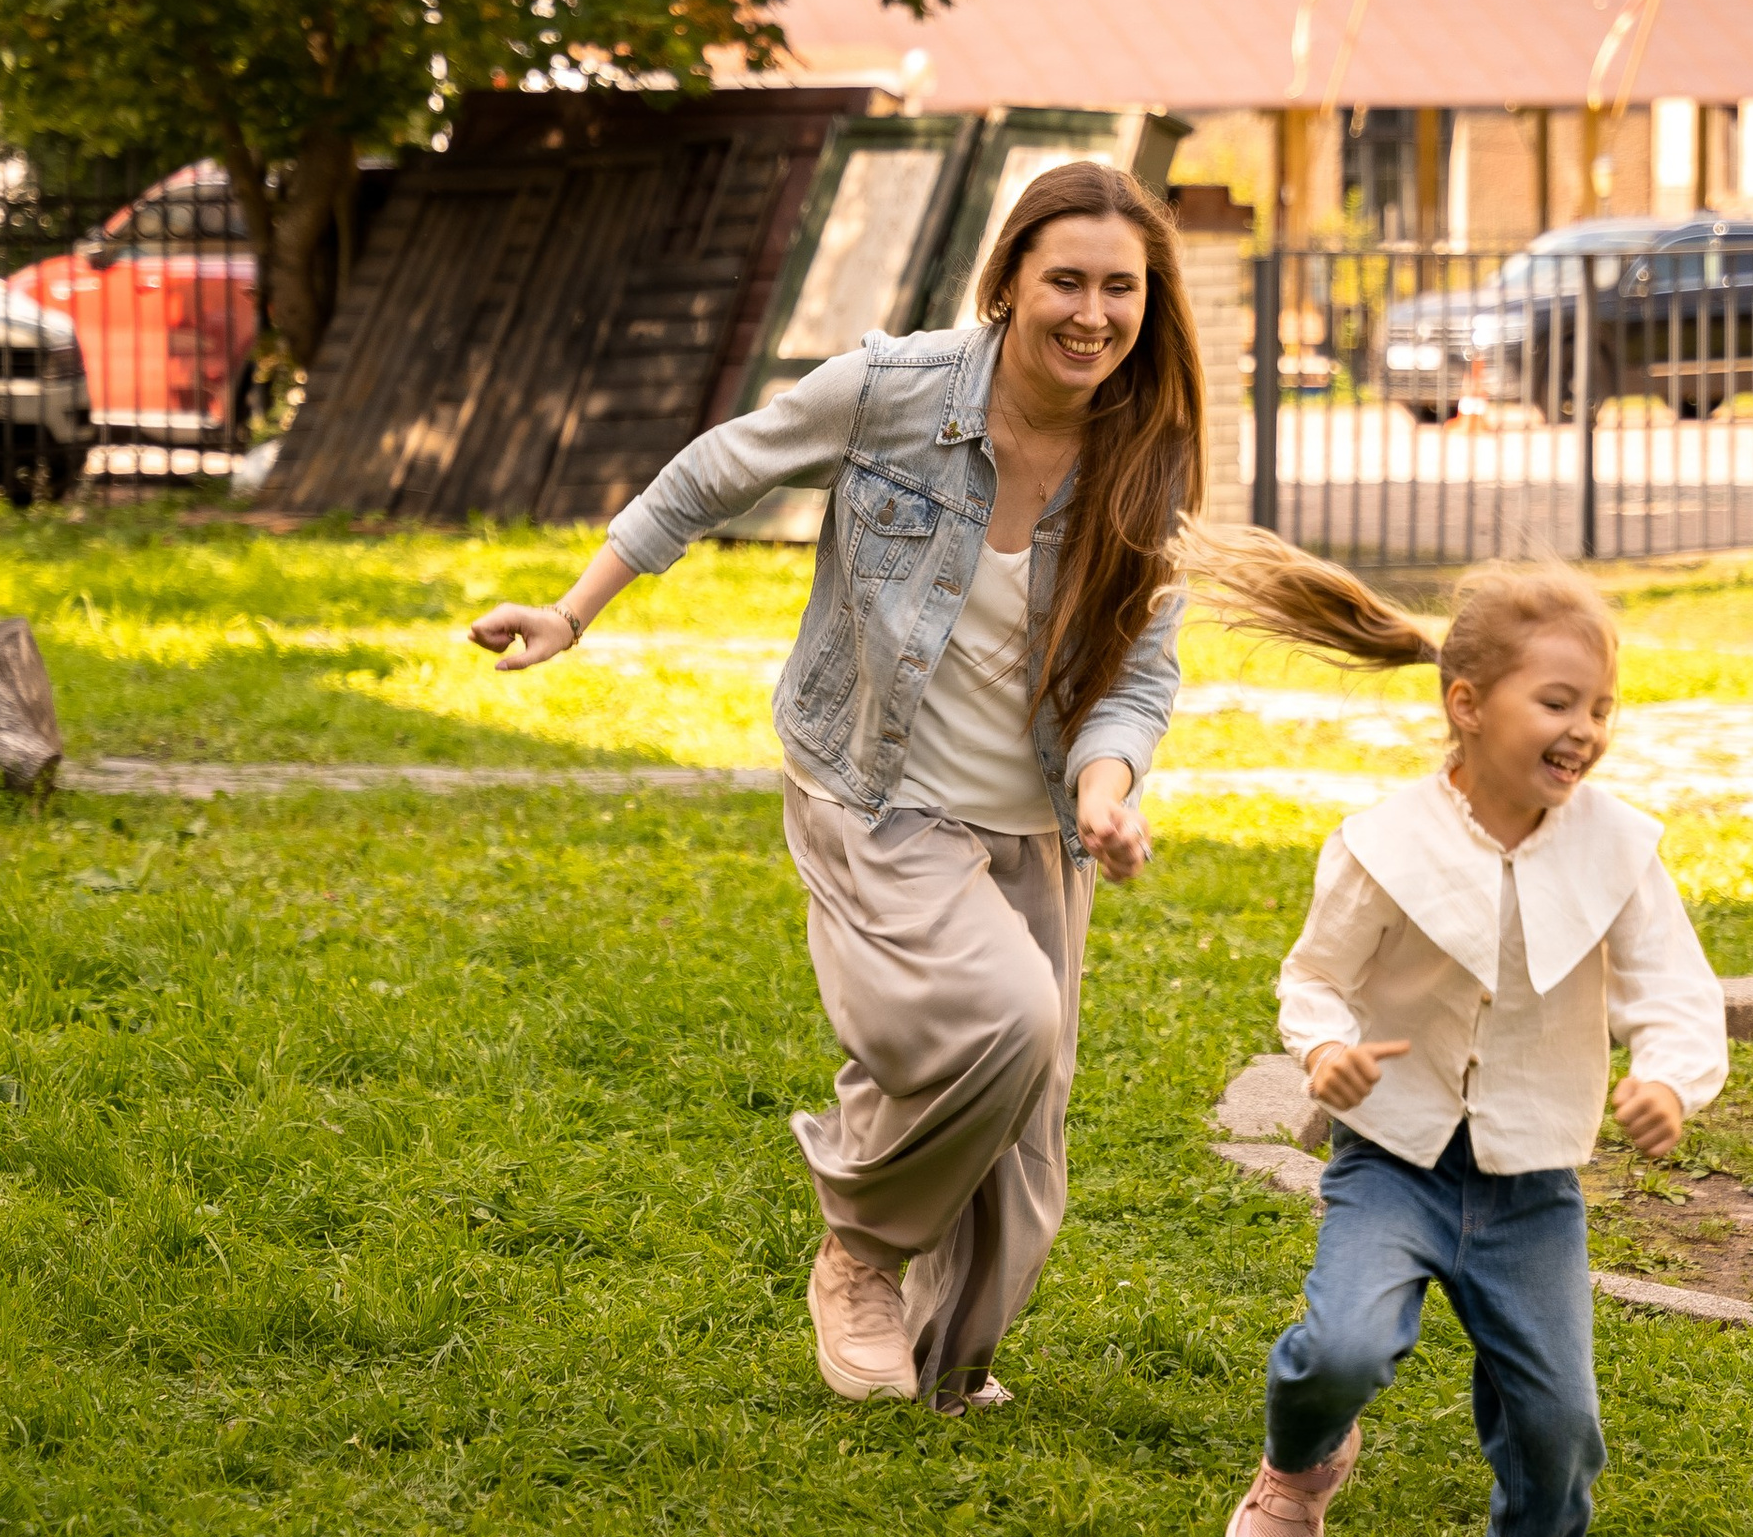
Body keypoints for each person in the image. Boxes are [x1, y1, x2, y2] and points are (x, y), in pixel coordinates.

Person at [468, 161, 1204, 1412]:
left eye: (1119, 288)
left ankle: (943, 1364)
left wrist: (1104, 790)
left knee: (1025, 1145)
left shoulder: (1148, 446)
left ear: (1150, 300)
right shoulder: (897, 391)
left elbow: (1135, 670)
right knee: (1002, 1019)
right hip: (877, 784)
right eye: (1065, 280)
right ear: (1009, 282)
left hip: (1034, 816)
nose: (1091, 313)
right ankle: (860, 1257)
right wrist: (573, 611)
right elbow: (715, 472)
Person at [1198, 543, 1727, 1537]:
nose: (1584, 728)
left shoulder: (1620, 850)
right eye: (1556, 701)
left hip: (1533, 1183)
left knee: (1558, 1424)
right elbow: (1315, 978)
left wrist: (1668, 1079)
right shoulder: (1383, 844)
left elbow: (1676, 993)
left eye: (1600, 706)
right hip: (1392, 1158)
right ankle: (1299, 1463)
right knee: (1337, 1349)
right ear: (1467, 704)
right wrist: (1327, 1049)